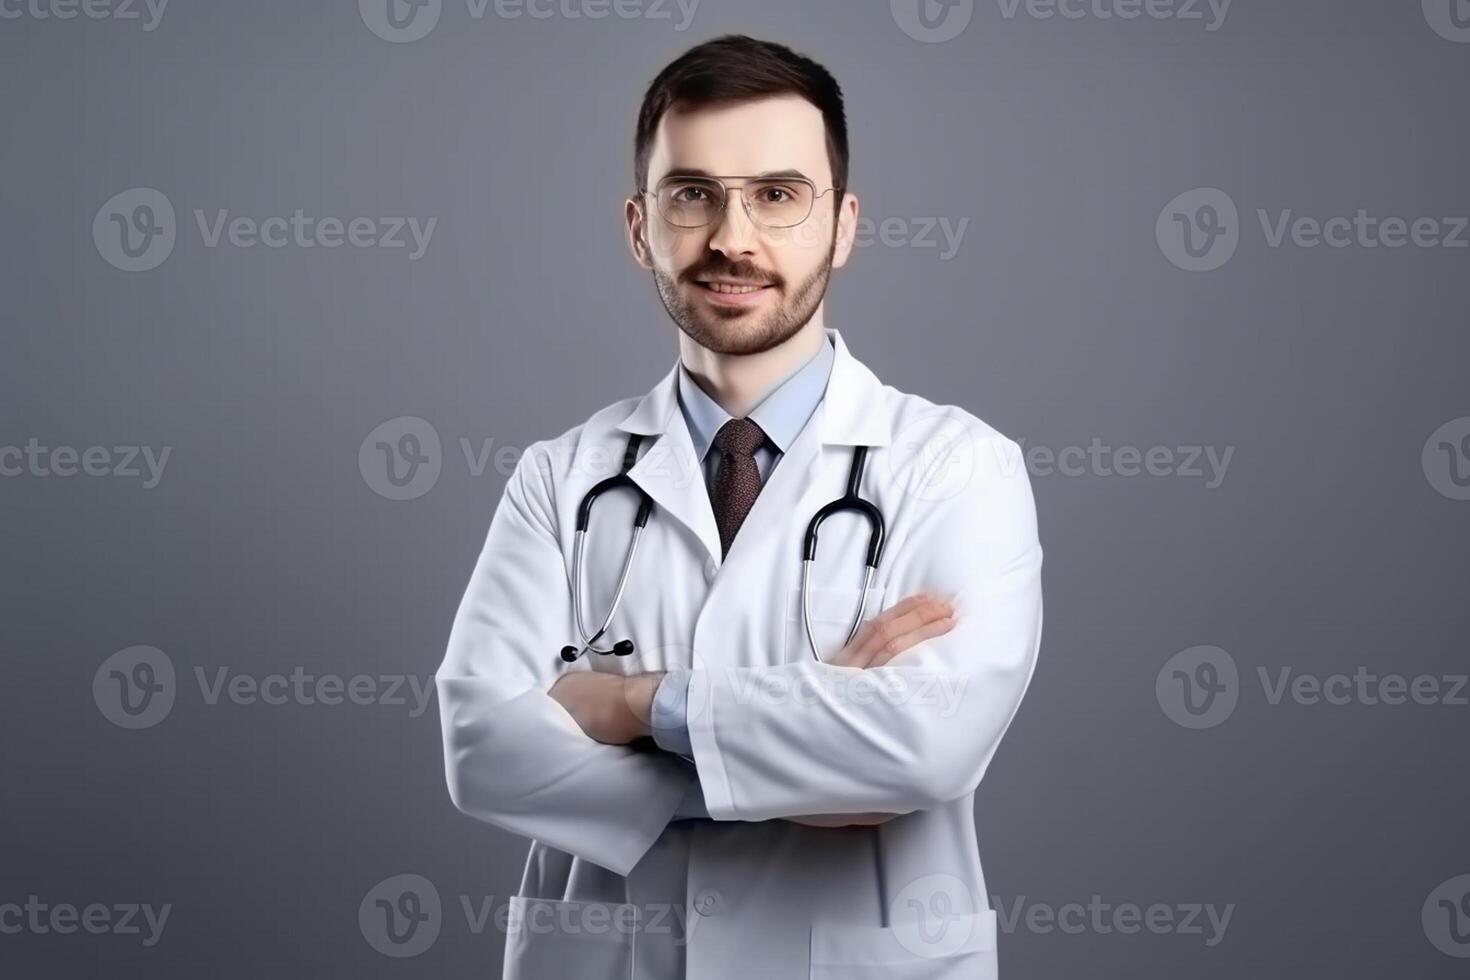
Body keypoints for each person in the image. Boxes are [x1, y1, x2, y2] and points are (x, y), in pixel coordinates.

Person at [434, 34, 1043, 980]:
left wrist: (633, 705)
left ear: (843, 224)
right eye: (693, 194)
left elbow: (924, 746)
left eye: (778, 194)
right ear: (640, 227)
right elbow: (481, 746)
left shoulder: (957, 468)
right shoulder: (561, 477)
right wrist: (798, 749)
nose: (732, 237)